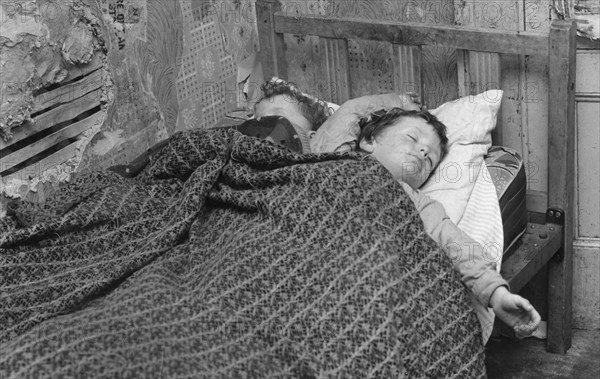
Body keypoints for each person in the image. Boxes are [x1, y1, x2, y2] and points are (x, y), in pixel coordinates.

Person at [357, 107, 541, 338]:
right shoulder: (329, 159)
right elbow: (341, 119)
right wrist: (397, 102)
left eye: (430, 160)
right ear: (368, 140)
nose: (424, 151)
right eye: (412, 138)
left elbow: (455, 243)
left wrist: (497, 295)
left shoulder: (416, 201)